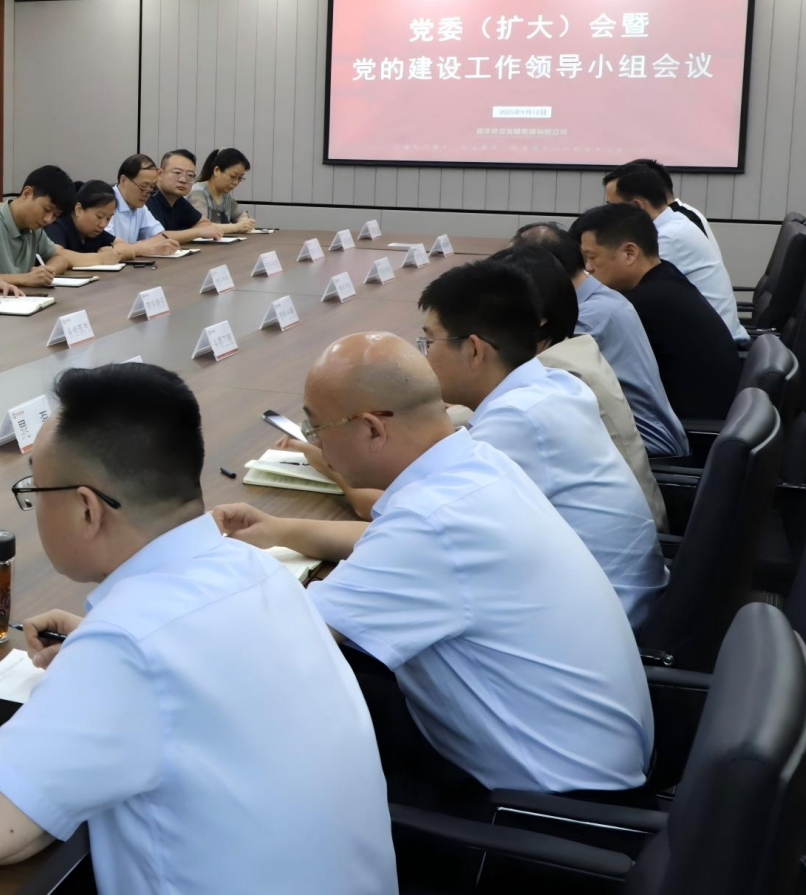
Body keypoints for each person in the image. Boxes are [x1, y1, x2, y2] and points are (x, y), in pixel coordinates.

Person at [0, 364, 394, 890]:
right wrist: (97, 672)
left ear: (88, 509)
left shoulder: (128, 645)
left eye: (37, 490)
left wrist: (94, 676)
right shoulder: (258, 569)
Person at [215, 333, 653, 807]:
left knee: (275, 711)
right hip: (588, 757)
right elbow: (398, 546)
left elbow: (281, 640)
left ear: (372, 429)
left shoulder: (430, 521)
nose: (315, 442)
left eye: (316, 427)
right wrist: (278, 530)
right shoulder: (477, 465)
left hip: (544, 811)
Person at [414, 260, 668, 626]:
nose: (424, 356)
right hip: (623, 599)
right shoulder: (554, 385)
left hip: (602, 621)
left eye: (429, 342)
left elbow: (422, 527)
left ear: (473, 350)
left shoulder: (517, 420)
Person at [490, 245, 668, 530]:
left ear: (535, 319)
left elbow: (484, 430)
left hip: (615, 541)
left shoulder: (556, 376)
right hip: (634, 524)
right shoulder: (574, 350)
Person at [514, 221, 690, 461]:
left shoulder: (586, 320)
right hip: (645, 437)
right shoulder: (601, 298)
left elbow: (527, 383)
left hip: (645, 449)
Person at [573, 203, 740, 421]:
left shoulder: (639, 305)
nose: (588, 268)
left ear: (630, 253)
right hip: (713, 416)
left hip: (692, 428)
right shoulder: (666, 274)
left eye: (592, 257)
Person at [605, 161, 746, 341]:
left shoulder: (668, 238)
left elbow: (618, 289)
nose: (608, 214)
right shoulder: (674, 222)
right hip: (705, 334)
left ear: (638, 206)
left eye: (612, 207)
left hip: (713, 343)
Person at [0, 165, 81, 289]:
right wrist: (24, 278)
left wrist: (46, 272)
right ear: (27, 193)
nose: (48, 220)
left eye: (55, 215)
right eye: (47, 209)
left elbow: (59, 258)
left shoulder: (34, 228)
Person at [145, 148, 233, 241]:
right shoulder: (147, 198)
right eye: (177, 173)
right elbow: (158, 238)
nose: (183, 180)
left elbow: (205, 224)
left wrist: (184, 234)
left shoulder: (178, 200)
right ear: (159, 174)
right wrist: (197, 232)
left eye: (190, 175)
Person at [106, 155, 181, 256]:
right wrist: (146, 249)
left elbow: (161, 237)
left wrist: (131, 247)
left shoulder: (139, 206)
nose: (147, 193)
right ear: (123, 180)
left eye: (152, 187)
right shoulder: (105, 202)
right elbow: (107, 248)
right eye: (143, 186)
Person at [43, 180, 131, 260]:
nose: (103, 224)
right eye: (99, 216)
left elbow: (125, 247)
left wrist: (113, 252)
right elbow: (57, 254)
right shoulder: (57, 227)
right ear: (78, 209)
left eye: (108, 218)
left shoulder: (94, 233)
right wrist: (100, 258)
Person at [188, 147, 257, 234]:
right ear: (217, 171)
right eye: (232, 176)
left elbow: (241, 215)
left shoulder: (225, 196)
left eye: (240, 178)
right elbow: (201, 226)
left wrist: (245, 222)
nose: (235, 182)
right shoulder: (197, 193)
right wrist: (235, 227)